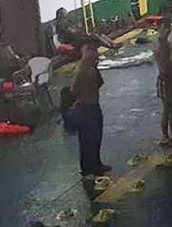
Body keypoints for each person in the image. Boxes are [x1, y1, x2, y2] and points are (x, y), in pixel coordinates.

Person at [70, 42, 112, 177]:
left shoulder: (91, 66)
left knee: (95, 137)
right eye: (93, 51)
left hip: (93, 104)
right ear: (87, 52)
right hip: (86, 107)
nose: (96, 53)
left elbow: (99, 83)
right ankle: (88, 167)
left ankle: (96, 164)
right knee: (88, 138)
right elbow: (74, 89)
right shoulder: (81, 69)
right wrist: (83, 97)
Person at [154, 19, 172, 146]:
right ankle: (165, 135)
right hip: (165, 78)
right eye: (164, 27)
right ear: (159, 28)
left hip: (171, 77)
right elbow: (165, 64)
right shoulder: (160, 45)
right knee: (167, 108)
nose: (167, 30)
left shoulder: (166, 43)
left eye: (168, 27)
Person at [54, 8, 120, 49]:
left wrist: (78, 28)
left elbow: (73, 30)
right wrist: (78, 29)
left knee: (100, 34)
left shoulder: (66, 22)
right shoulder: (60, 24)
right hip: (74, 41)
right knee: (96, 36)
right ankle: (111, 46)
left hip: (78, 38)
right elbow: (70, 31)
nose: (66, 13)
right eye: (65, 12)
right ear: (62, 14)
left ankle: (113, 44)